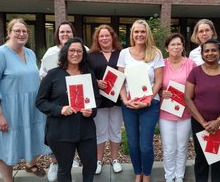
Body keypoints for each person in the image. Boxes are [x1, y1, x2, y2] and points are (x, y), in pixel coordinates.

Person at [36, 37, 102, 182]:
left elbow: (97, 99)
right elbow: (40, 101)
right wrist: (59, 109)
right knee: (64, 168)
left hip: (85, 130)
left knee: (90, 165)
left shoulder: (89, 74)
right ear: (65, 52)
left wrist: (91, 110)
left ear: (83, 55)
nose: (76, 54)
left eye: (79, 51)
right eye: (72, 50)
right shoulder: (53, 74)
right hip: (61, 131)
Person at [0, 18, 48, 182]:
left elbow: (35, 78)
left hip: (32, 107)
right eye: (17, 30)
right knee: (7, 145)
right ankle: (8, 179)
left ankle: (30, 164)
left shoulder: (30, 53)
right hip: (9, 109)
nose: (21, 34)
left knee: (36, 137)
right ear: (9, 33)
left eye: (24, 31)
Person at [185, 39, 220, 182]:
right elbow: (188, 98)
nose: (210, 53)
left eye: (214, 50)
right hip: (199, 124)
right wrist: (203, 122)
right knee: (201, 159)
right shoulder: (195, 72)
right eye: (206, 51)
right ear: (202, 54)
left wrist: (218, 121)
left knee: (218, 161)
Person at [117, 19, 164, 182]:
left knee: (145, 145)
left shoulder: (156, 54)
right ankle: (138, 172)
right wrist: (124, 100)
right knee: (133, 143)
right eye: (136, 32)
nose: (139, 35)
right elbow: (120, 80)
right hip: (129, 105)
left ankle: (147, 174)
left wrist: (148, 99)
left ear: (147, 34)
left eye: (142, 31)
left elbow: (158, 82)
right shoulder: (124, 54)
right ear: (132, 34)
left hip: (150, 105)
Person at [39, 20, 80, 182]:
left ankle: (72, 158)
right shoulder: (50, 53)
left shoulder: (82, 49)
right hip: (56, 100)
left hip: (77, 99)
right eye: (62, 32)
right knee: (55, 132)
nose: (65, 35)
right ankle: (55, 162)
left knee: (75, 130)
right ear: (58, 34)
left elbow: (88, 71)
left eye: (68, 32)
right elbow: (41, 74)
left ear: (73, 33)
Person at [159, 33, 197, 182]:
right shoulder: (161, 64)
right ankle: (169, 177)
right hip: (166, 112)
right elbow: (156, 85)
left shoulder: (190, 64)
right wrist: (162, 93)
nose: (176, 47)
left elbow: (196, 86)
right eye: (172, 44)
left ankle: (179, 176)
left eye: (179, 44)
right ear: (167, 48)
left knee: (182, 147)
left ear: (183, 47)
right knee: (168, 148)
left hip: (185, 112)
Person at [87, 25, 123, 174]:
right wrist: (96, 82)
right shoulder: (91, 55)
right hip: (99, 99)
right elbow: (85, 74)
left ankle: (114, 159)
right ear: (97, 39)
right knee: (100, 132)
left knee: (115, 130)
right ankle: (99, 160)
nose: (104, 38)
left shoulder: (122, 54)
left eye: (107, 35)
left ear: (112, 37)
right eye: (101, 36)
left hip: (117, 100)